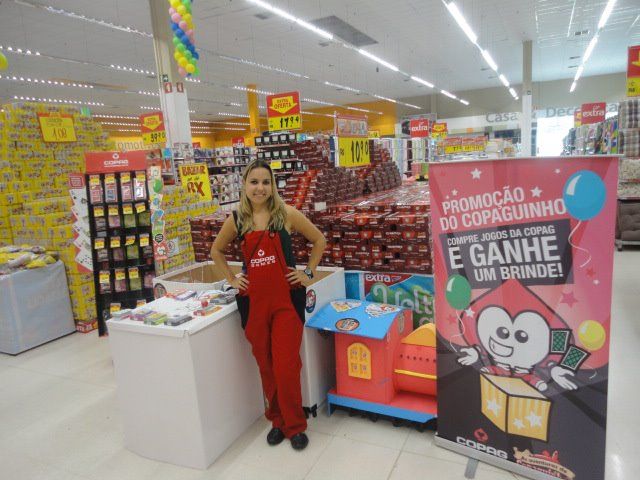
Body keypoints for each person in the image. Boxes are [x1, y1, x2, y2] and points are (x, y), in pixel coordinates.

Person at [210, 160, 326, 451]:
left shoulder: (286, 214)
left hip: (287, 303)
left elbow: (319, 240)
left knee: (287, 367)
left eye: (266, 182)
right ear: (244, 185)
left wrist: (308, 272)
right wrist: (233, 279)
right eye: (254, 182)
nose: (260, 188)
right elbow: (216, 250)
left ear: (273, 186)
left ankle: (295, 425)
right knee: (267, 367)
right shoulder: (237, 219)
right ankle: (277, 421)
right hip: (254, 305)